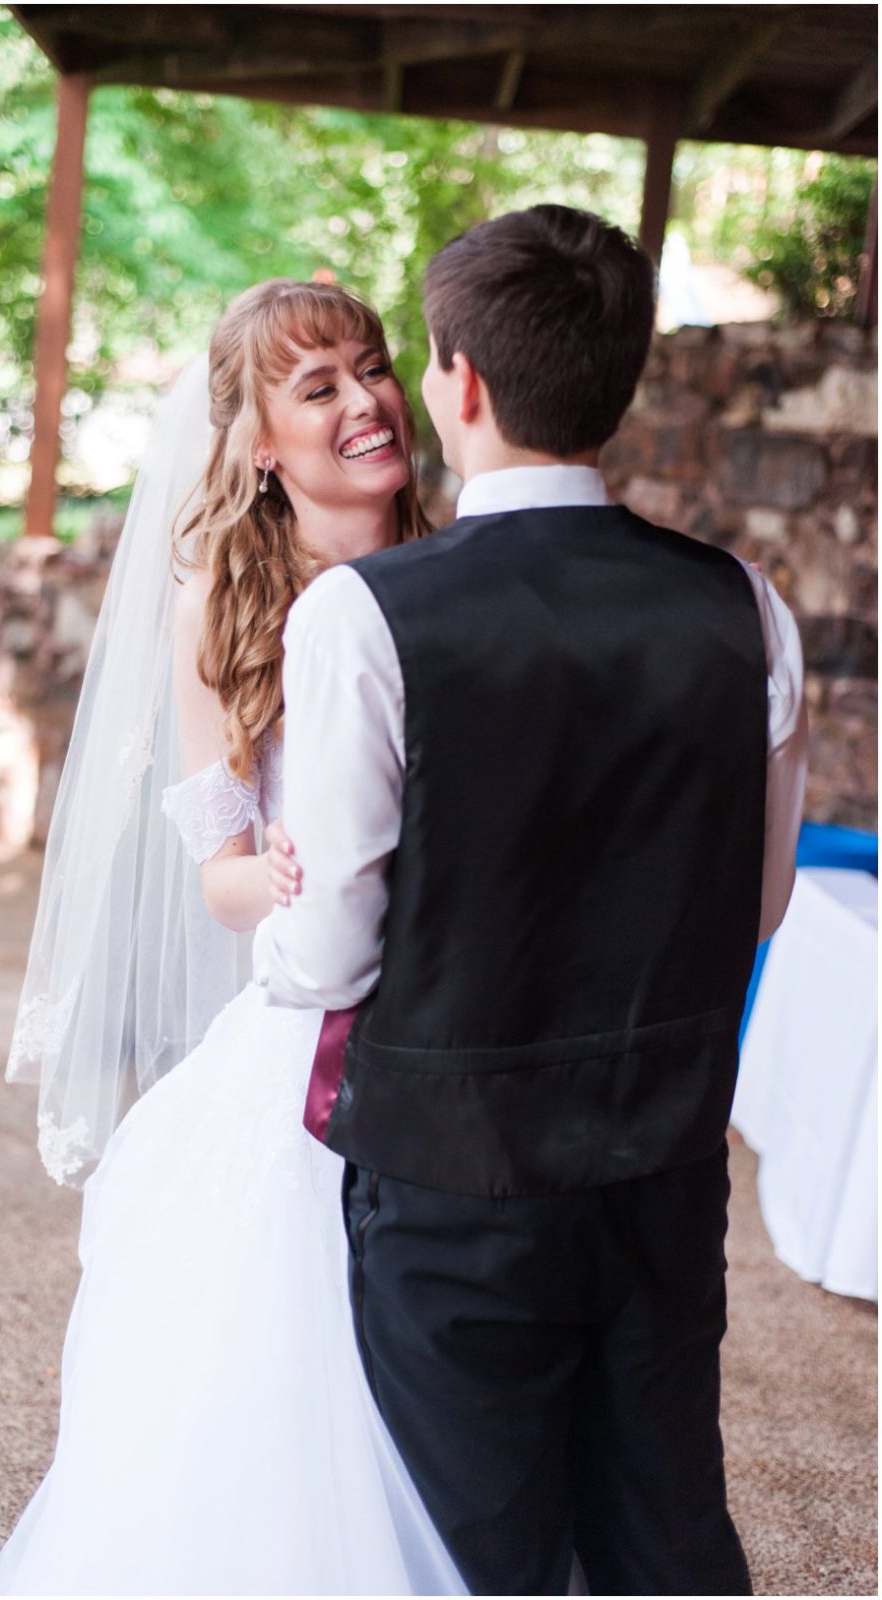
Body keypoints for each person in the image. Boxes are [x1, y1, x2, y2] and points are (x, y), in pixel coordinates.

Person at [254, 205, 809, 1596]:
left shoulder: (364, 616)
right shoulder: (746, 606)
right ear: (617, 385)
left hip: (454, 1183)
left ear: (463, 384)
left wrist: (268, 933)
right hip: (663, 1161)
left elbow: (329, 954)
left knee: (474, 1550)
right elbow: (755, 904)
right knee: (663, 1526)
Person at [0, 280, 472, 1595]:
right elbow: (223, 878)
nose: (363, 401)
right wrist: (288, 875)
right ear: (257, 443)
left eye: (370, 369)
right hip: (313, 1029)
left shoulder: (464, 567)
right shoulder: (222, 612)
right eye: (317, 388)